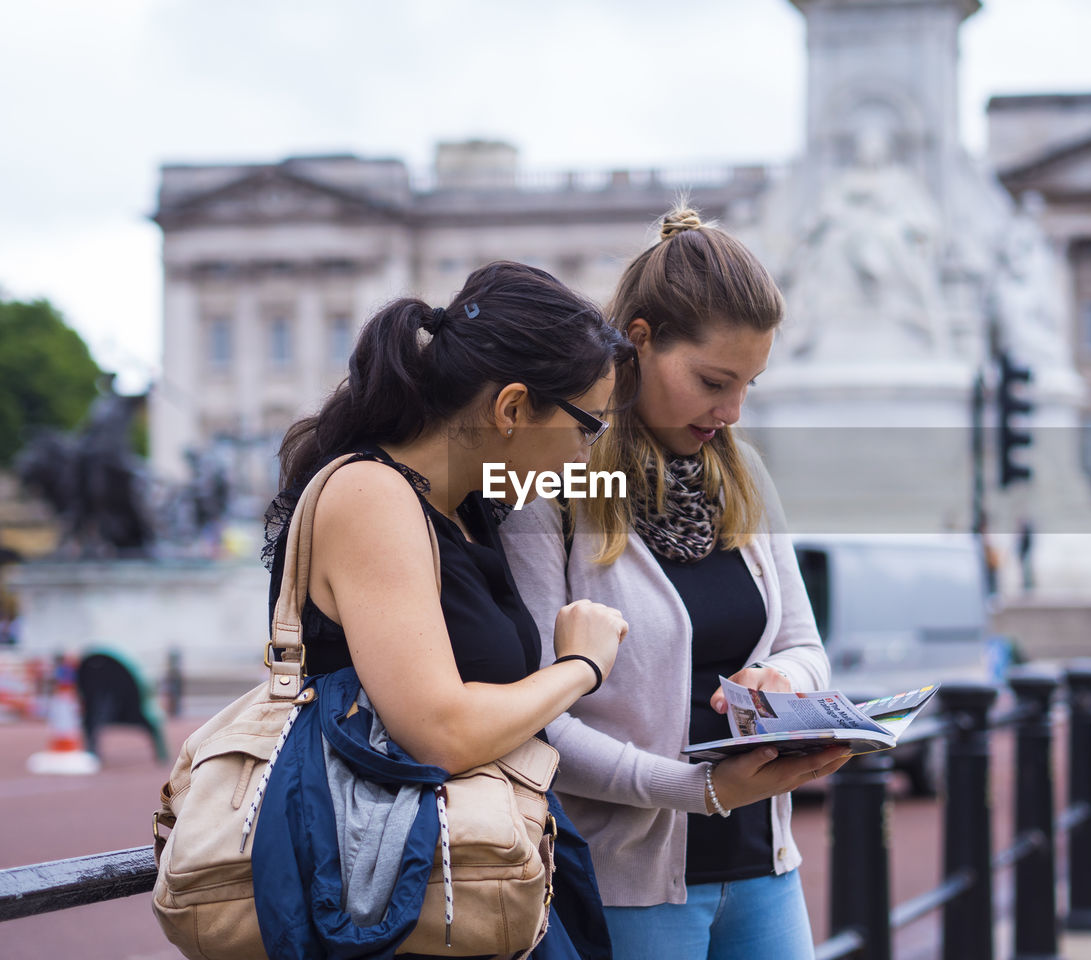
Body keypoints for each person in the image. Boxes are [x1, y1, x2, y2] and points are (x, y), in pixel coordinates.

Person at [500, 207, 846, 959]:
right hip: (626, 884)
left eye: (750, 384)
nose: (731, 413)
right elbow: (536, 716)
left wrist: (781, 678)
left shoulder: (746, 476)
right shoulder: (549, 487)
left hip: (765, 868)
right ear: (641, 340)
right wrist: (697, 791)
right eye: (714, 381)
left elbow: (805, 644)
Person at [262, 260, 632, 959]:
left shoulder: (465, 509)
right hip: (394, 901)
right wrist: (581, 666)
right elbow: (443, 732)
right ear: (513, 409)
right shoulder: (371, 498)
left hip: (457, 876)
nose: (589, 456)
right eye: (589, 427)